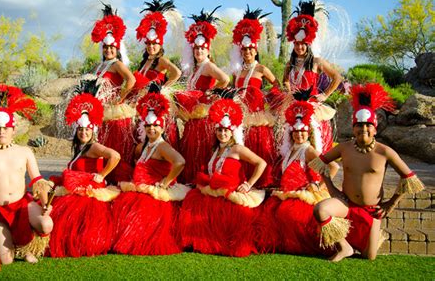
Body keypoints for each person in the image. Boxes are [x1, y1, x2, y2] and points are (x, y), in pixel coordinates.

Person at [311, 83, 425, 262]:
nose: (363, 129)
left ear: (375, 128)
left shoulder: (384, 151)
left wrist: (391, 204)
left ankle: (370, 237)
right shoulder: (344, 148)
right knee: (321, 210)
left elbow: (410, 178)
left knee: (369, 257)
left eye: (367, 125)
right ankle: (345, 247)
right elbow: (319, 163)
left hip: (372, 211)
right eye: (359, 125)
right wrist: (332, 190)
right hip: (346, 204)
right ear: (353, 127)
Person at [0, 84, 53, 264]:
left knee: (46, 223)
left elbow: (38, 182)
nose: (1, 131)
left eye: (6, 128)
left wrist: (45, 203)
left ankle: (31, 246)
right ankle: (14, 246)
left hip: (22, 205)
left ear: (13, 130)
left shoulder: (25, 151)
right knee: (6, 260)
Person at [180, 97, 267, 257]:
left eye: (226, 130)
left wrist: (248, 184)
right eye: (220, 130)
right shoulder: (215, 149)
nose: (222, 133)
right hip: (214, 192)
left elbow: (261, 163)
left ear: (232, 131)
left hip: (229, 194)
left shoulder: (237, 149)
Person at [111, 88, 188, 255]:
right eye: (148, 125)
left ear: (162, 127)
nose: (151, 129)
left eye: (155, 126)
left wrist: (166, 182)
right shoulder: (145, 146)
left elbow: (180, 162)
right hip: (142, 189)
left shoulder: (162, 146)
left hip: (154, 194)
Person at [256, 99, 338, 255]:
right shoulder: (292, 150)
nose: (299, 134)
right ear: (291, 133)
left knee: (288, 215)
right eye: (296, 131)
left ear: (308, 132)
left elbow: (332, 167)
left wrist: (318, 185)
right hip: (287, 194)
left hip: (302, 196)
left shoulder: (308, 151)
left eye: (303, 131)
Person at [48, 93, 120, 257]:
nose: (83, 132)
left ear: (92, 130)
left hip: (89, 192)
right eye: (80, 129)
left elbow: (115, 156)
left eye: (87, 129)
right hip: (78, 190)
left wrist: (102, 175)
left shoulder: (94, 146)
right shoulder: (80, 148)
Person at [176, 6, 229, 184]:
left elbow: (224, 79)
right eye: (196, 49)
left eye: (202, 49)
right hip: (193, 118)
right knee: (191, 150)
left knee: (200, 150)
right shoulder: (196, 68)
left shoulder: (207, 66)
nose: (199, 52)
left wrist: (211, 94)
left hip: (203, 118)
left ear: (208, 50)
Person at [283, 0, 343, 152]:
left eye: (303, 44)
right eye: (297, 44)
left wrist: (325, 95)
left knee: (314, 142)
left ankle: (316, 171)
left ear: (308, 44)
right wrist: (288, 89)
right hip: (293, 107)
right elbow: (285, 80)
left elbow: (337, 77)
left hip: (311, 107)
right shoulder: (290, 63)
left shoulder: (316, 61)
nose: (299, 47)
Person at [231, 6, 280, 188]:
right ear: (241, 51)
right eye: (244, 50)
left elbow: (277, 86)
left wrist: (268, 97)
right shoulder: (237, 71)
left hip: (257, 116)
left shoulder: (261, 69)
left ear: (255, 49)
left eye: (250, 49)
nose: (248, 53)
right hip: (241, 116)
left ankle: (261, 183)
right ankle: (244, 181)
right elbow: (233, 89)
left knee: (260, 150)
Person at [91, 3, 136, 178]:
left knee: (116, 146)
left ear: (117, 48)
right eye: (106, 47)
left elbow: (130, 80)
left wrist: (120, 97)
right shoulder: (101, 65)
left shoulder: (117, 64)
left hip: (115, 112)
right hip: (103, 111)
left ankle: (117, 178)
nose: (109, 50)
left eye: (111, 47)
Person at [133, 0, 182, 149]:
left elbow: (177, 73)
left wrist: (164, 89)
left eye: (154, 44)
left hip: (156, 105)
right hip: (144, 105)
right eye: (148, 43)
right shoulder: (144, 62)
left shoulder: (162, 61)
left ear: (159, 44)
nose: (151, 46)